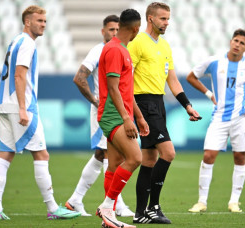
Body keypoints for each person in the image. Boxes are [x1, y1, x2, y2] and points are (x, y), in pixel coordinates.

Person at [0, 5, 80, 220]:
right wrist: (23, 108)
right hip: (21, 106)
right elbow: (19, 76)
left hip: (3, 104)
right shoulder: (28, 43)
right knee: (41, 154)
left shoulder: (15, 41)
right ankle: (52, 209)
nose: (43, 25)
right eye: (39, 21)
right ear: (27, 22)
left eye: (45, 21)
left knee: (5, 154)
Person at [128, 2, 200, 224]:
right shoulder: (137, 43)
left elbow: (173, 80)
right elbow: (126, 78)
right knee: (168, 153)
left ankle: (140, 213)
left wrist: (187, 105)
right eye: (163, 18)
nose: (167, 22)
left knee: (149, 159)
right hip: (143, 103)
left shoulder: (165, 46)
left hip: (158, 103)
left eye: (168, 18)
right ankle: (153, 207)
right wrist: (134, 111)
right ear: (150, 19)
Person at [186, 29, 245, 213]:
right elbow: (191, 76)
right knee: (208, 156)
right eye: (235, 40)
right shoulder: (215, 61)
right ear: (230, 41)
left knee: (240, 157)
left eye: (241, 43)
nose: (237, 45)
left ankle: (234, 201)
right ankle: (202, 202)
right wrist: (209, 94)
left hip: (241, 119)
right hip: (219, 118)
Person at [65, 15, 134, 217]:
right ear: (103, 31)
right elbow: (80, 77)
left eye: (116, 29)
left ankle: (75, 200)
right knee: (109, 157)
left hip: (114, 111)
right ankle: (116, 205)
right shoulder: (99, 50)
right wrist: (96, 101)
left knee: (103, 155)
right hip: (106, 113)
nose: (114, 33)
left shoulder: (117, 50)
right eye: (110, 30)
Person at [95, 8, 148, 228]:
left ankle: (109, 218)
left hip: (120, 114)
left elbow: (126, 91)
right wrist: (127, 119)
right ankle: (107, 207)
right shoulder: (116, 50)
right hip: (113, 115)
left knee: (115, 164)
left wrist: (139, 117)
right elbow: (114, 89)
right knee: (135, 158)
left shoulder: (121, 49)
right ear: (136, 29)